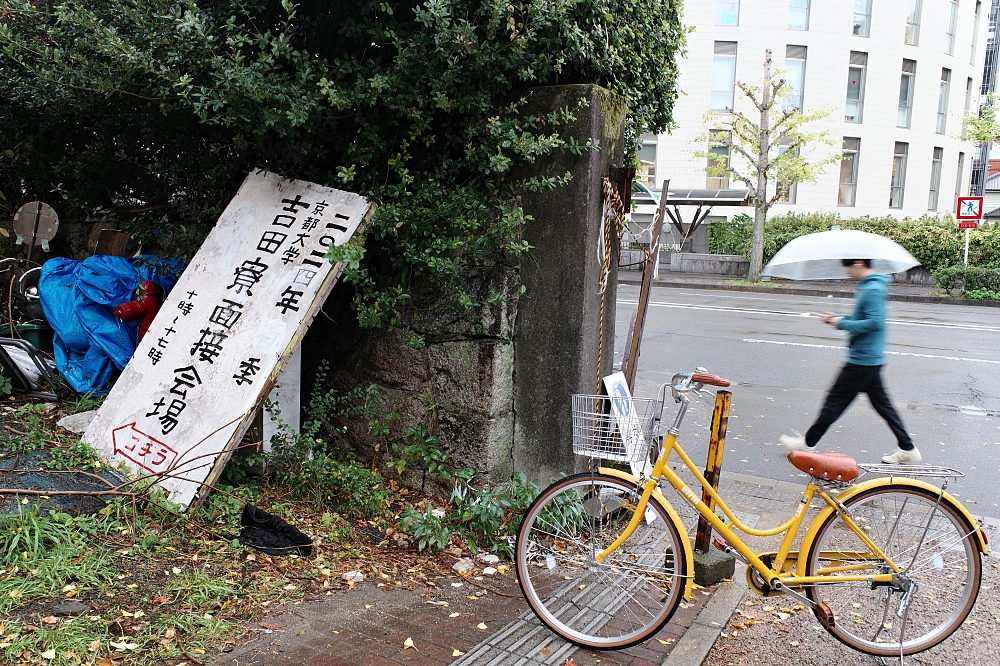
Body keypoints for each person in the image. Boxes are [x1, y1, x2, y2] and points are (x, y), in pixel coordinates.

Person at [779, 259, 921, 464]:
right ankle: (907, 447)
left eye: (847, 267)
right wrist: (838, 318)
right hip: (868, 358)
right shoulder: (870, 286)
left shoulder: (871, 288)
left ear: (858, 263)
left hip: (862, 360)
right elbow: (861, 317)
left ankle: (807, 444)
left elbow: (875, 323)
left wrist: (842, 322)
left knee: (833, 404)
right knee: (883, 406)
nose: (846, 272)